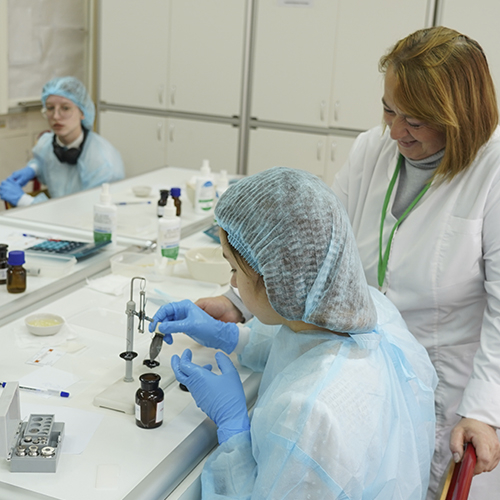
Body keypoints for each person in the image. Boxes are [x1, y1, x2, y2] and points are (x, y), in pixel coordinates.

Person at [194, 27, 500, 498]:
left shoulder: (492, 173)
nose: (395, 131)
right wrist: (238, 301)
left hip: (441, 385)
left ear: (457, 116)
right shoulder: (372, 150)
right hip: (358, 355)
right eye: (388, 109)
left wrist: (483, 410)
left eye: (415, 120)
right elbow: (310, 246)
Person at [150, 167, 437, 499]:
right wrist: (231, 336)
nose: (232, 283)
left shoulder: (310, 417)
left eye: (234, 268)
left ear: (276, 279)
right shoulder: (368, 309)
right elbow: (304, 345)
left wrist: (232, 428)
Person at [0, 76, 124, 207]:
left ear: (82, 112)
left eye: (65, 108)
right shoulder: (47, 143)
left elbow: (85, 214)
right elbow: (46, 160)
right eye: (50, 108)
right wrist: (34, 169)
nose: (56, 116)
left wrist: (25, 201)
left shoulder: (103, 164)